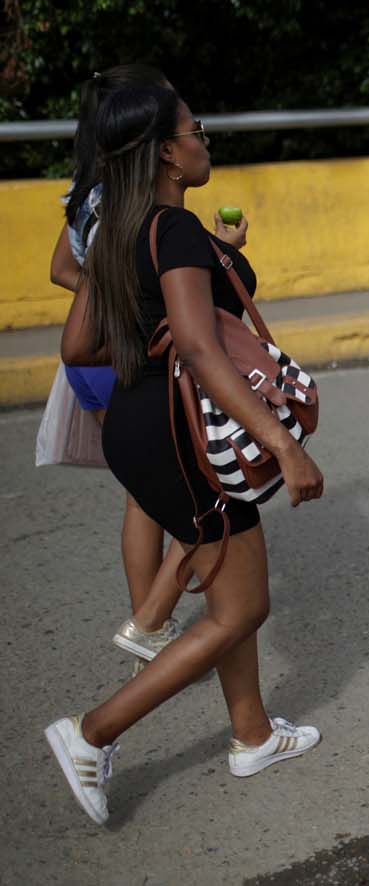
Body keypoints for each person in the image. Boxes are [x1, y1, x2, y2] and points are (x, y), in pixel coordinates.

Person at [47, 85, 325, 824]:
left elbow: (79, 343)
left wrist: (173, 307)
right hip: (183, 439)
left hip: (140, 431)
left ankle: (253, 734)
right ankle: (90, 734)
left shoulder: (123, 223)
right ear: (168, 151)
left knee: (228, 589)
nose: (205, 137)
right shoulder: (170, 227)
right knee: (243, 608)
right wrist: (281, 447)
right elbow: (203, 350)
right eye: (193, 128)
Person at [46, 66, 206, 674]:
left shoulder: (88, 186)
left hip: (97, 356)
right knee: (198, 487)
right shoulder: (132, 197)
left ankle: (151, 629)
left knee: (146, 494)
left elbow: (62, 269)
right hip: (124, 355)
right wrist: (133, 318)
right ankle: (153, 621)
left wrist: (105, 300)